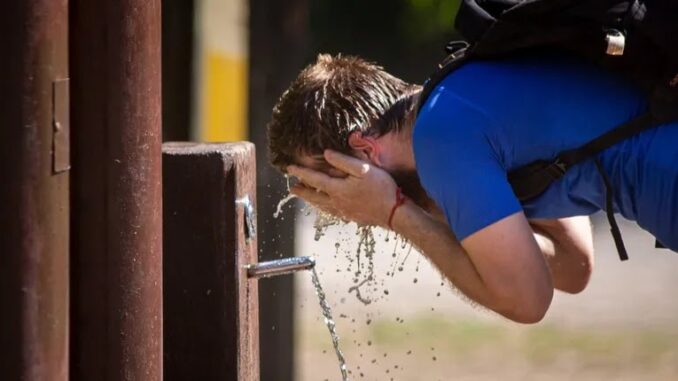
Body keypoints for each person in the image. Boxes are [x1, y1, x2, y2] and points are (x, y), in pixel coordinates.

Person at [267, 53, 678, 323]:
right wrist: (425, 208)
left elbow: (527, 300)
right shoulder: (459, 99)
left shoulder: (440, 136)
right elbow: (573, 266)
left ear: (362, 149)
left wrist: (393, 212)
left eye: (323, 182)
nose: (333, 205)